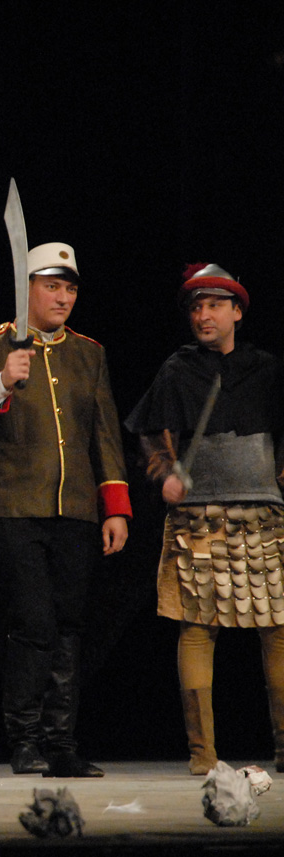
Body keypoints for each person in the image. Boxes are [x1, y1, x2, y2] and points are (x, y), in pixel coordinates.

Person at [0, 242, 131, 778]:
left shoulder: (89, 353)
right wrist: (2, 381)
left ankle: (61, 744)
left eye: (70, 288)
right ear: (25, 288)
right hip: (11, 505)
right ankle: (25, 741)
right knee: (34, 622)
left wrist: (115, 508)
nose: (64, 297)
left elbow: (104, 434)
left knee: (70, 624)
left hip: (74, 507)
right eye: (52, 286)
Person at [124, 263, 284, 775]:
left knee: (277, 627)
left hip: (262, 514)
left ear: (237, 311)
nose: (203, 315)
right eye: (196, 307)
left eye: (214, 305)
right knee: (196, 628)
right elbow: (152, 438)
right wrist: (163, 475)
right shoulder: (178, 371)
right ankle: (202, 753)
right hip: (198, 519)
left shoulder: (268, 370)